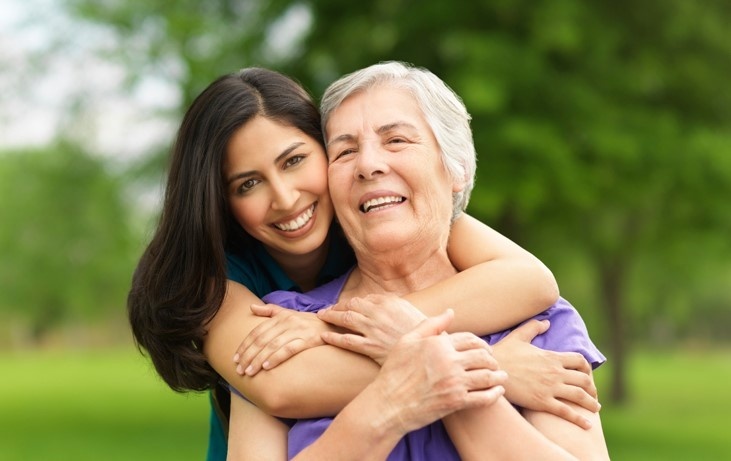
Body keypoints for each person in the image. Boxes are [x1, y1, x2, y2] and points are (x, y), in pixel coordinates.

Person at [128, 67, 598, 460]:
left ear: (455, 168)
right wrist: (481, 367)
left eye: (396, 140)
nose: (286, 197)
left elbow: (534, 281)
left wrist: (405, 342)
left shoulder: (530, 316)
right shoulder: (265, 313)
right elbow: (281, 386)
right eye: (348, 149)